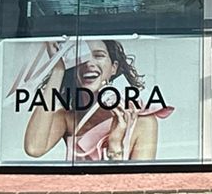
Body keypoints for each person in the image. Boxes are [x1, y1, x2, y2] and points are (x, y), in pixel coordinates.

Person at [15, 37, 171, 161]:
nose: (89, 63)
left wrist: (115, 145)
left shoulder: (142, 121)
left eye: (99, 55)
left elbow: (139, 184)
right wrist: (58, 69)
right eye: (81, 57)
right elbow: (33, 148)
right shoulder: (68, 118)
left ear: (114, 68)